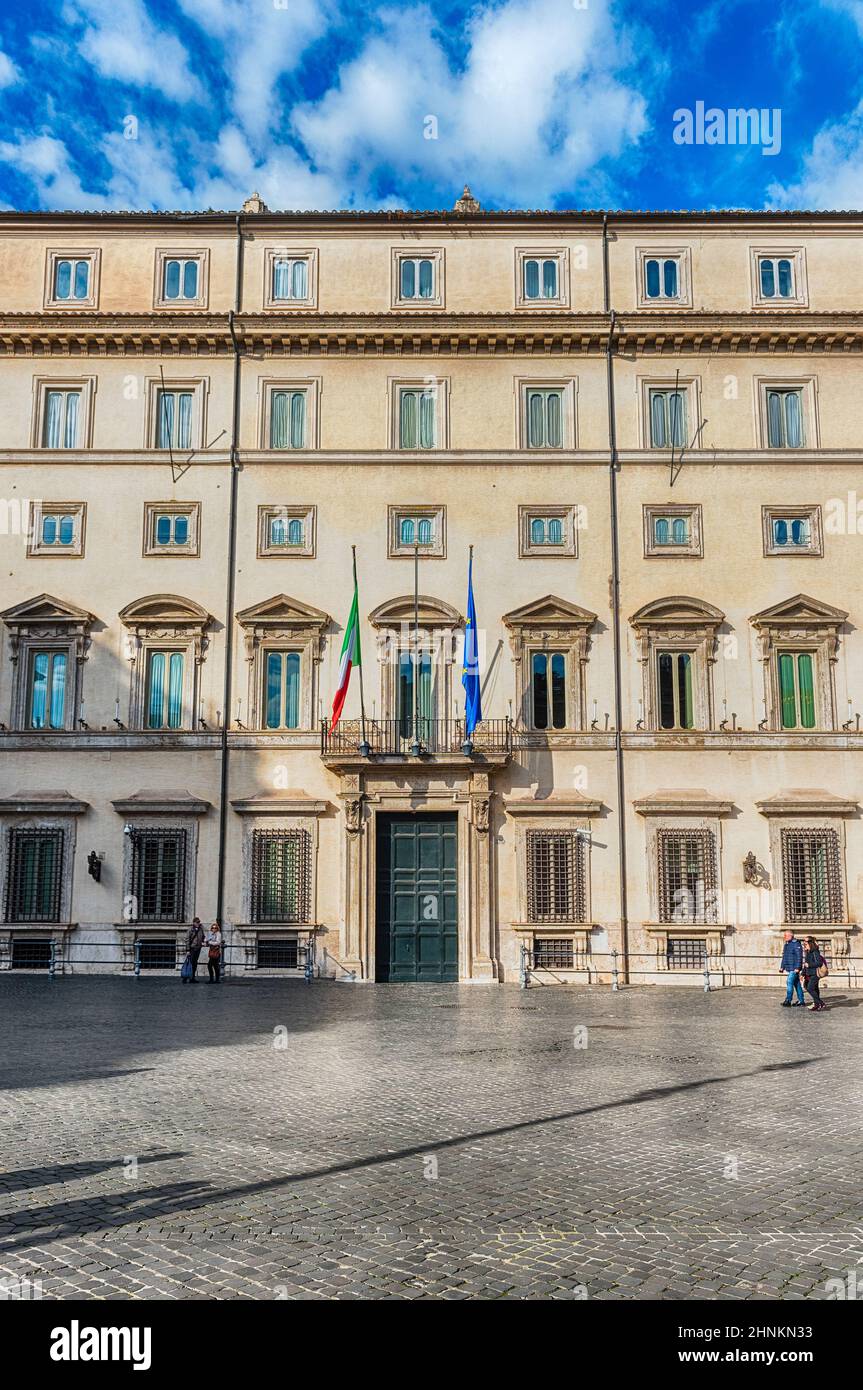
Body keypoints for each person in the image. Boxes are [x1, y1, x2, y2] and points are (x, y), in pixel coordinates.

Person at [779, 929, 805, 1007]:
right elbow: (784, 957)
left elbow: (799, 957)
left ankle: (788, 1000)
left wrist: (798, 967)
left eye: (785, 935)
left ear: (791, 935)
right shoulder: (786, 944)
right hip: (790, 967)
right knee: (797, 984)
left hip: (794, 968)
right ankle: (801, 1001)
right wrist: (782, 967)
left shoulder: (796, 944)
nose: (784, 937)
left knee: (789, 982)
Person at [801, 935, 827, 1011]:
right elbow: (805, 964)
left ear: (810, 943)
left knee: (810, 988)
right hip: (809, 973)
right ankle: (817, 1004)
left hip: (815, 973)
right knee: (813, 988)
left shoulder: (815, 951)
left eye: (806, 942)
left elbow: (819, 963)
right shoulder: (808, 952)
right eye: (804, 942)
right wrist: (802, 974)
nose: (804, 943)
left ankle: (820, 1003)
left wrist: (809, 965)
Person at [185, 917, 205, 982]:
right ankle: (186, 977)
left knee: (195, 963)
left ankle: (192, 977)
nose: (198, 923)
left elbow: (203, 936)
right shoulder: (190, 929)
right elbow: (187, 939)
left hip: (198, 948)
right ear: (194, 922)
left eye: (199, 922)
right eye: (197, 922)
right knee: (190, 963)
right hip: (192, 948)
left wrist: (203, 942)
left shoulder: (201, 929)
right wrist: (188, 950)